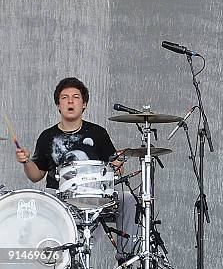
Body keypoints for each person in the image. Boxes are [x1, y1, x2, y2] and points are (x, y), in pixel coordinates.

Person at [15, 77, 137, 264]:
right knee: (41, 198)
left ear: (84, 104)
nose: (70, 101)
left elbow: (114, 167)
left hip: (93, 197)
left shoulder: (98, 133)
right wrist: (26, 161)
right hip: (59, 197)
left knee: (127, 199)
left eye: (75, 97)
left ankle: (125, 256)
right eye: (64, 97)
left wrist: (118, 164)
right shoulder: (47, 136)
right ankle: (59, 257)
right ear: (58, 105)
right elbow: (35, 176)